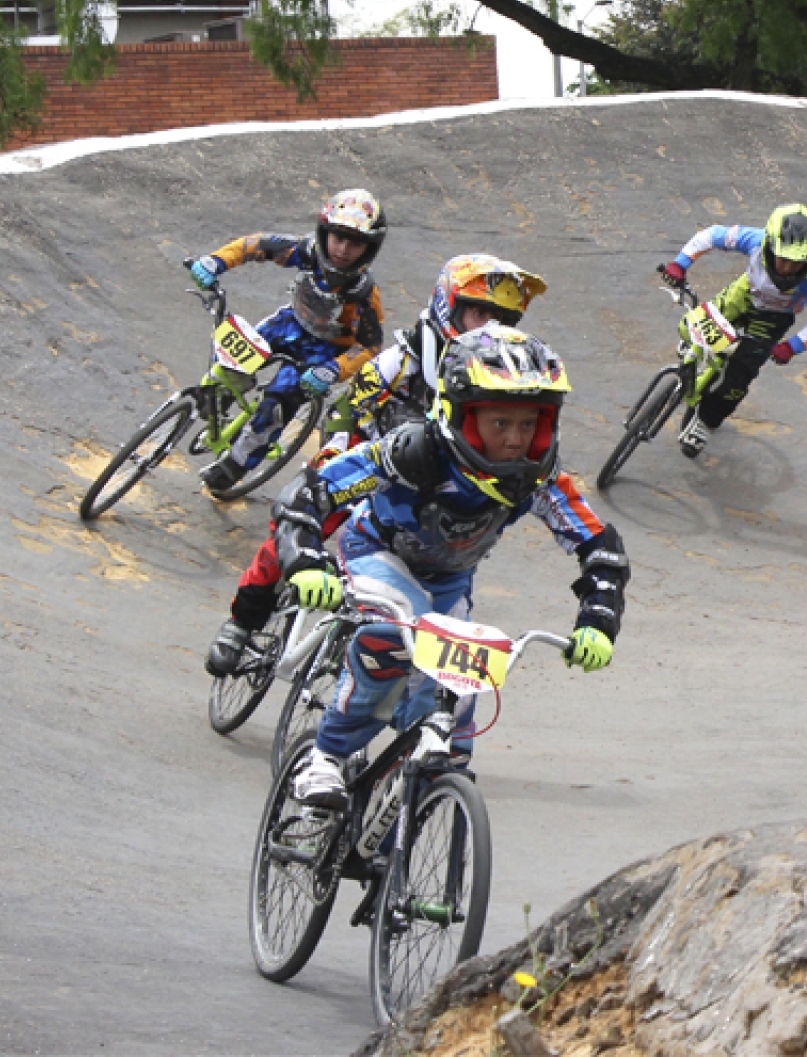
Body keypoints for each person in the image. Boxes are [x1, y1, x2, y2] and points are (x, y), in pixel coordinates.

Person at [277, 325, 628, 809]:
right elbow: (310, 493)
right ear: (460, 415)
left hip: (449, 579)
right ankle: (325, 759)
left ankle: (412, 823)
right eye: (500, 423)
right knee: (395, 639)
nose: (516, 439)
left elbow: (599, 545)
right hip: (377, 552)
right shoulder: (412, 452)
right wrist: (305, 561)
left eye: (529, 424)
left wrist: (598, 620)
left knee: (456, 707)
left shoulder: (539, 478)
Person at [204, 254, 547, 678]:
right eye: (480, 313)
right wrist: (334, 457)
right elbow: (345, 412)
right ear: (448, 307)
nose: (489, 327)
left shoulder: (502, 375)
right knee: (297, 524)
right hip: (367, 460)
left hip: (432, 485)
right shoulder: (401, 361)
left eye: (503, 319)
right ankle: (241, 623)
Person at [187, 189, 388, 494]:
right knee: (233, 354)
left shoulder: (364, 294)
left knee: (277, 401)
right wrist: (216, 261)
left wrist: (333, 370)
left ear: (369, 249)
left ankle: (235, 465)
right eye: (338, 238)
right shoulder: (305, 251)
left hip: (326, 350)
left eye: (355, 243)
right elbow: (255, 245)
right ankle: (222, 395)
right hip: (291, 323)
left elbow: (370, 347)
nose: (343, 249)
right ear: (324, 232)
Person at [656, 204, 807, 456]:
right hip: (743, 295)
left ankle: (706, 421)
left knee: (738, 378)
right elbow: (711, 235)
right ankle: (697, 346)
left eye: (796, 264)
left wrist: (791, 346)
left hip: (772, 320)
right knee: (691, 326)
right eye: (783, 259)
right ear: (770, 245)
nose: (787, 269)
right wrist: (680, 263)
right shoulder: (755, 239)